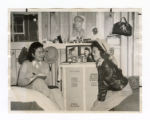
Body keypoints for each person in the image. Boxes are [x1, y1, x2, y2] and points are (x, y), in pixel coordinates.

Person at [17, 42, 64, 110]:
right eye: (39, 52)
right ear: (33, 54)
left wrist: (42, 78)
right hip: (28, 88)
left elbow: (48, 83)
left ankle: (62, 111)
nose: (42, 54)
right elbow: (19, 83)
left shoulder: (45, 64)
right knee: (38, 81)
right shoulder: (26, 64)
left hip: (42, 88)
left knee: (57, 92)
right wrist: (33, 78)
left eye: (43, 52)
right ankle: (57, 110)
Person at [90, 41, 132, 111]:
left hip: (123, 91)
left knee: (96, 109)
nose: (92, 54)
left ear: (101, 52)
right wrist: (100, 99)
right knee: (96, 105)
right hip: (115, 88)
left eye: (94, 51)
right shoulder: (102, 61)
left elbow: (103, 84)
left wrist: (100, 99)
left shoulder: (105, 64)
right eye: (92, 52)